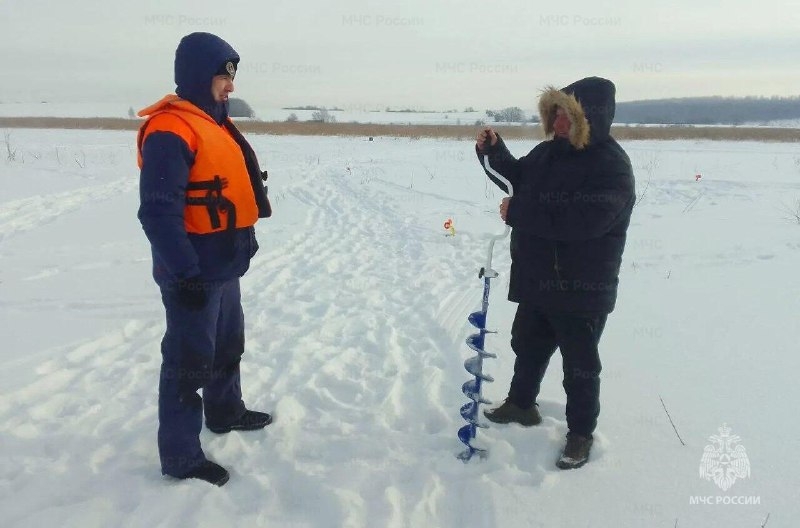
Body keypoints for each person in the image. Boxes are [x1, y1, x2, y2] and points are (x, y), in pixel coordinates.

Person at [475, 77, 635, 469]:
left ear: (589, 118)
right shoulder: (547, 153)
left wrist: (520, 212)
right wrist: (493, 151)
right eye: (556, 114)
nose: (559, 123)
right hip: (538, 278)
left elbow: (584, 223)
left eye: (568, 116)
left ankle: (580, 434)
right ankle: (520, 404)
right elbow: (517, 178)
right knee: (527, 345)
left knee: (580, 368)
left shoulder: (612, 166)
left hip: (581, 287)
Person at [137, 32, 273, 486]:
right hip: (192, 273)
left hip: (223, 266)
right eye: (222, 77)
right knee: (187, 364)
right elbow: (158, 212)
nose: (230, 86)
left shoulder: (213, 122)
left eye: (231, 77)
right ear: (199, 76)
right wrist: (185, 274)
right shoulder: (170, 130)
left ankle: (225, 410)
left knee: (227, 346)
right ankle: (181, 457)